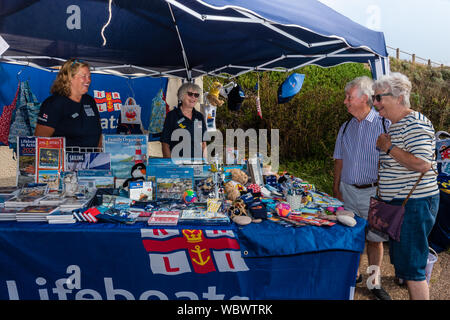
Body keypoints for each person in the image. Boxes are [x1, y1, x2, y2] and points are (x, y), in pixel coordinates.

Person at [374, 72, 439, 300]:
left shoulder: (416, 122)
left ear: (399, 97)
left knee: (413, 270)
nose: (375, 103)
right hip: (405, 206)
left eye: (379, 98)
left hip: (414, 206)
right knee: (408, 266)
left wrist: (388, 148)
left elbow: (422, 163)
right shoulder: (397, 124)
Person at [333, 76, 392, 300]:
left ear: (364, 98)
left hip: (374, 192)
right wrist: (336, 187)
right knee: (351, 234)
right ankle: (354, 274)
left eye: (349, 97)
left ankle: (374, 282)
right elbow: (338, 158)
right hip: (347, 190)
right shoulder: (346, 126)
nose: (345, 101)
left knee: (375, 239)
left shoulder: (384, 124)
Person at [35, 59, 102, 148]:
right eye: (84, 76)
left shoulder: (89, 101)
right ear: (70, 78)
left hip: (92, 160)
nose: (88, 80)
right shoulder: (54, 103)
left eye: (89, 76)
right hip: (65, 160)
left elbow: (98, 133)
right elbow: (41, 140)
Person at [161, 83, 207, 159]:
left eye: (196, 95)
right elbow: (165, 143)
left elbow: (203, 143)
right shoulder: (172, 116)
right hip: (178, 165)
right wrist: (170, 165)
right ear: (181, 95)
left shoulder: (199, 116)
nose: (193, 97)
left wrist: (205, 162)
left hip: (197, 164)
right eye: (190, 94)